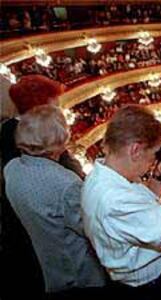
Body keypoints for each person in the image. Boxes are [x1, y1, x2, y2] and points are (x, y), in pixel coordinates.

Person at [82, 104, 161, 300]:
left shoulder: (106, 175)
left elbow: (146, 204)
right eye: (153, 155)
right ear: (135, 150)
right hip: (153, 286)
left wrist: (160, 177)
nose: (153, 161)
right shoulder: (116, 200)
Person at [3, 104, 107, 299]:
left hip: (48, 263)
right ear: (59, 142)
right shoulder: (66, 183)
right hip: (79, 273)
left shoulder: (12, 168)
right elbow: (93, 230)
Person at [1, 75, 84, 300]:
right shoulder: (64, 178)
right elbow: (87, 221)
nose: (60, 111)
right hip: (64, 262)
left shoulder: (12, 160)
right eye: (55, 106)